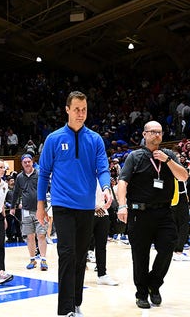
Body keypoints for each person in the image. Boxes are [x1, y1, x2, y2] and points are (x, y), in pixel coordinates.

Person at [36, 91, 113, 317]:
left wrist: (106, 187)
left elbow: (103, 169)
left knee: (80, 257)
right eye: (77, 109)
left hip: (87, 207)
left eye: (84, 109)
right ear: (67, 109)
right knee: (67, 254)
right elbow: (44, 175)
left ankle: (76, 302)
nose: (81, 114)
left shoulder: (95, 140)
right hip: (63, 205)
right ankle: (65, 310)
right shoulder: (54, 139)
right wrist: (41, 205)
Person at [117, 121, 189, 309]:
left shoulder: (169, 155)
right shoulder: (135, 156)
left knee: (168, 247)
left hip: (164, 212)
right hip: (139, 213)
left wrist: (167, 160)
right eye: (153, 132)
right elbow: (123, 183)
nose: (157, 135)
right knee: (140, 255)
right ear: (144, 134)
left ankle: (154, 284)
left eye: (160, 132)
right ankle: (141, 293)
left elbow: (183, 176)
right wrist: (122, 206)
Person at [10, 153, 48, 271]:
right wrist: (12, 207)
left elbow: (49, 187)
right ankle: (32, 259)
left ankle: (43, 260)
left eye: (29, 161)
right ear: (22, 163)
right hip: (25, 210)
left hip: (40, 209)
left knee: (41, 235)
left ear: (32, 162)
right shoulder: (20, 177)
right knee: (30, 236)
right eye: (25, 162)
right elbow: (16, 192)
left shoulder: (40, 174)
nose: (27, 163)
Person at [90, 179, 119, 286]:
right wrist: (94, 206)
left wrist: (108, 203)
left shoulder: (104, 178)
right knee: (82, 245)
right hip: (87, 213)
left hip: (103, 213)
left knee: (101, 246)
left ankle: (102, 274)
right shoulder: (85, 172)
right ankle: (76, 273)